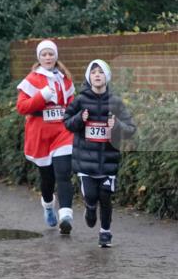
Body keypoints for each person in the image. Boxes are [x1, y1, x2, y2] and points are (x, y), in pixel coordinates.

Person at [63, 60, 136, 248]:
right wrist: (80, 118)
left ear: (107, 77)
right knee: (91, 196)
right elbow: (67, 122)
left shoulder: (115, 102)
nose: (97, 75)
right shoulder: (80, 100)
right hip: (85, 162)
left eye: (101, 72)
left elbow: (131, 129)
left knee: (105, 197)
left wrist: (116, 125)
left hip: (108, 161)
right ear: (89, 77)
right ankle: (89, 208)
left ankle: (105, 232)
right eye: (93, 72)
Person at [16, 39, 76, 234]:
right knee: (47, 178)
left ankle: (65, 216)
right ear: (39, 58)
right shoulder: (32, 80)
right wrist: (41, 96)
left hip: (62, 133)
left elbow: (72, 105)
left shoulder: (65, 79)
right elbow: (21, 107)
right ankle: (48, 206)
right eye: (44, 54)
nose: (48, 57)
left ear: (56, 56)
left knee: (63, 173)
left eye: (51, 54)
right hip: (41, 134)